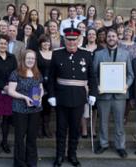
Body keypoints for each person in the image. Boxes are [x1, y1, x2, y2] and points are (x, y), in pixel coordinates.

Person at [48, 27, 97, 167]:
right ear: (64, 40)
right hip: (61, 98)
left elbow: (92, 77)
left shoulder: (86, 55)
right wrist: (51, 95)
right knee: (61, 129)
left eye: (74, 40)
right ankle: (59, 156)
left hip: (78, 98)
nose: (71, 43)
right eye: (68, 40)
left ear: (79, 40)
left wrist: (93, 93)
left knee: (75, 129)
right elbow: (51, 78)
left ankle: (72, 155)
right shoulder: (57, 54)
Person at [93, 29, 134, 158]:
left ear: (117, 38)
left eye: (113, 36)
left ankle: (120, 146)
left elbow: (130, 74)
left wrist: (126, 85)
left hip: (120, 95)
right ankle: (103, 144)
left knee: (119, 122)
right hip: (103, 94)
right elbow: (93, 74)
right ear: (106, 38)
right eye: (109, 36)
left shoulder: (126, 54)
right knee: (103, 121)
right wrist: (98, 85)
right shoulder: (99, 54)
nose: (111, 38)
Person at [8, 49, 44, 167]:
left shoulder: (37, 73)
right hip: (20, 109)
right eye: (28, 58)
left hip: (35, 109)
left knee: (32, 137)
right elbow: (11, 91)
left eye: (33, 58)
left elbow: (41, 88)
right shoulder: (16, 73)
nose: (31, 60)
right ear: (23, 59)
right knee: (19, 137)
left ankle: (31, 162)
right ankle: (19, 163)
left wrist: (40, 97)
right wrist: (24, 98)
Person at [37, 35, 53, 138]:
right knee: (37, 106)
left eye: (48, 42)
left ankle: (46, 128)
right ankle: (38, 128)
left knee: (48, 108)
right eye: (44, 42)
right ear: (40, 43)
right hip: (37, 85)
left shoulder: (54, 54)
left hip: (50, 85)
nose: (46, 44)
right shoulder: (36, 54)